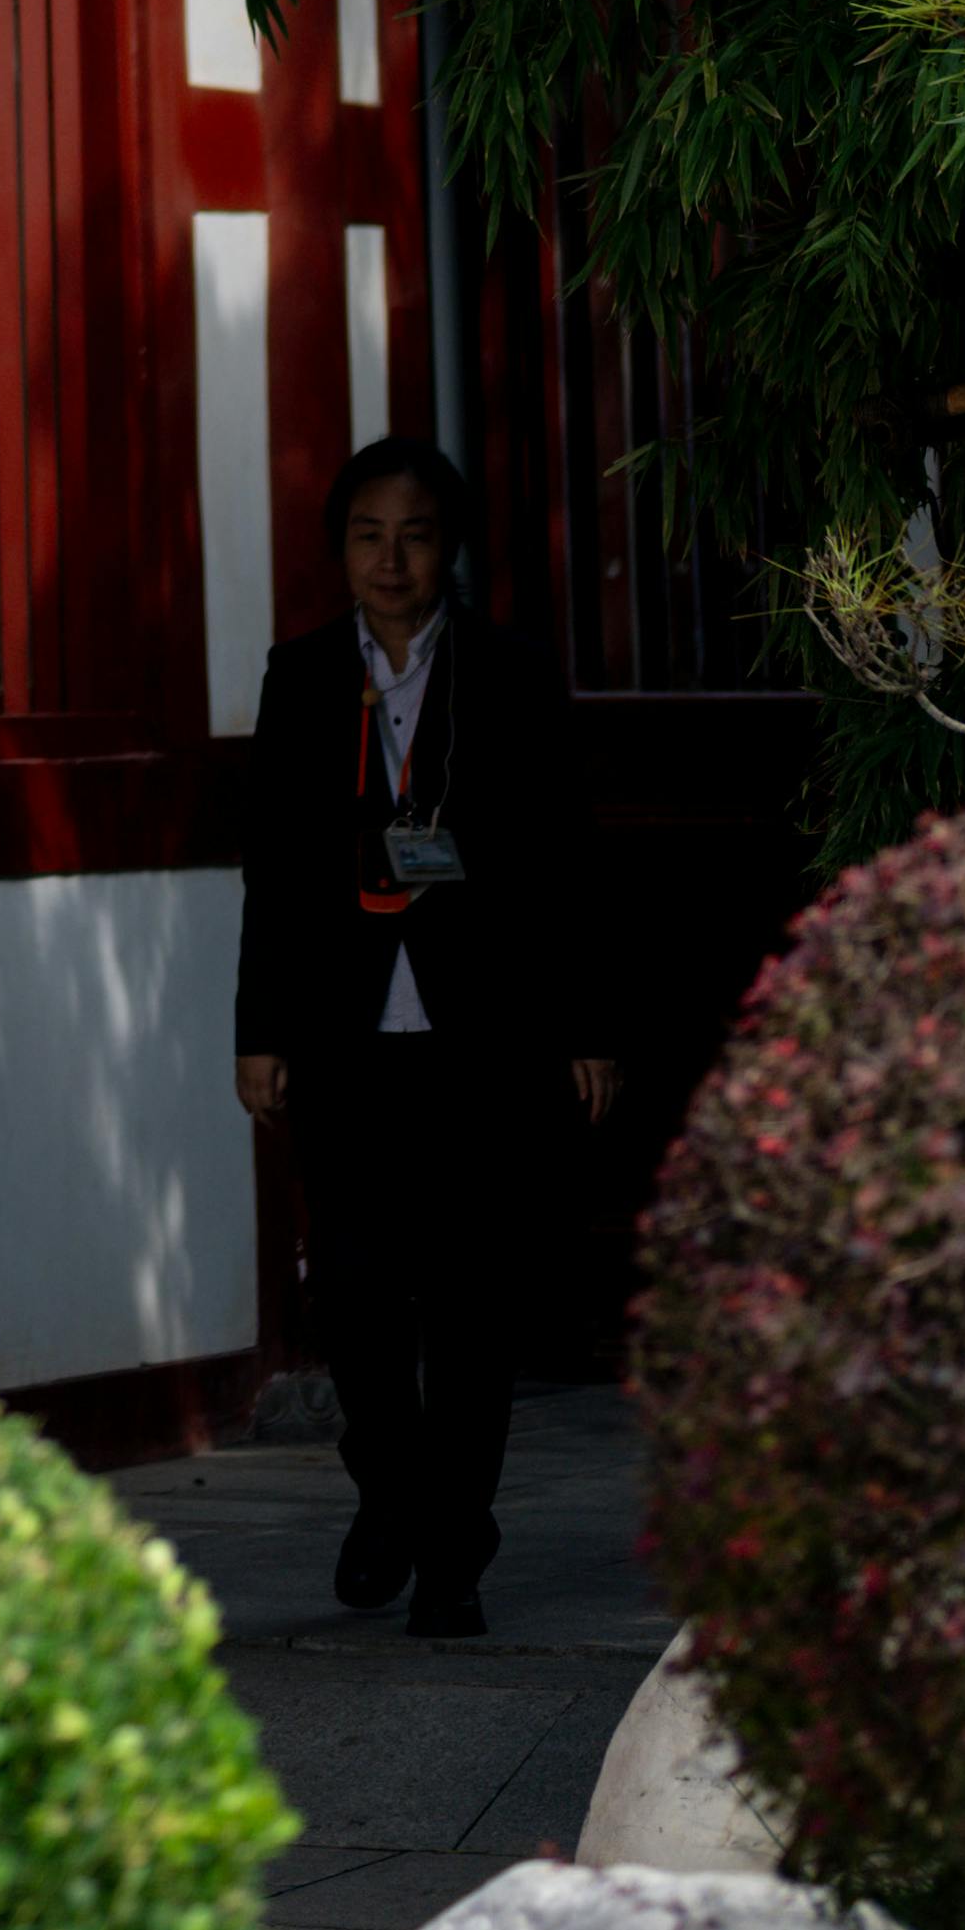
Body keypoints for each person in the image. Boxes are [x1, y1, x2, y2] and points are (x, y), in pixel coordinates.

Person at [231, 429, 618, 1638]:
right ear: (339, 548)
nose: (389, 558)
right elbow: (274, 872)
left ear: (446, 546)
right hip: (345, 1039)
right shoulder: (300, 677)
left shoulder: (507, 672)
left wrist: (586, 1024)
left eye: (413, 533)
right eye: (366, 533)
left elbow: (565, 860)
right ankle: (392, 1492)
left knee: (465, 1306)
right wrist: (259, 1028)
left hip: (480, 1039)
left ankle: (451, 1552)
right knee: (350, 1294)